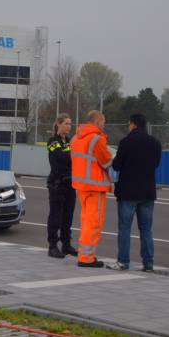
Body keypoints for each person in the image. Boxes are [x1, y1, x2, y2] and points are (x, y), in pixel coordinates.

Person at [107, 113, 162, 272]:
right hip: (147, 192)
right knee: (146, 229)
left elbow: (116, 165)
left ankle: (123, 262)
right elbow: (156, 163)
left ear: (132, 124)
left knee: (125, 228)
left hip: (128, 192)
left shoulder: (126, 142)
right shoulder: (155, 143)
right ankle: (148, 264)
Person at [70, 110, 113, 268]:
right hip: (95, 186)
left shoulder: (75, 138)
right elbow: (107, 162)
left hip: (80, 186)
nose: (104, 125)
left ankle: (83, 254)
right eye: (103, 122)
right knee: (93, 223)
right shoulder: (97, 139)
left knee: (85, 221)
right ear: (96, 122)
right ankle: (86, 257)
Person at [46, 113, 77, 258]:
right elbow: (61, 158)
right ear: (58, 124)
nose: (69, 126)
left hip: (71, 183)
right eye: (66, 123)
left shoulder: (71, 141)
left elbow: (73, 158)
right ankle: (52, 246)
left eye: (70, 124)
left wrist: (73, 156)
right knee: (55, 216)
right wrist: (74, 156)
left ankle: (66, 244)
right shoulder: (53, 141)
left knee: (68, 216)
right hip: (57, 184)